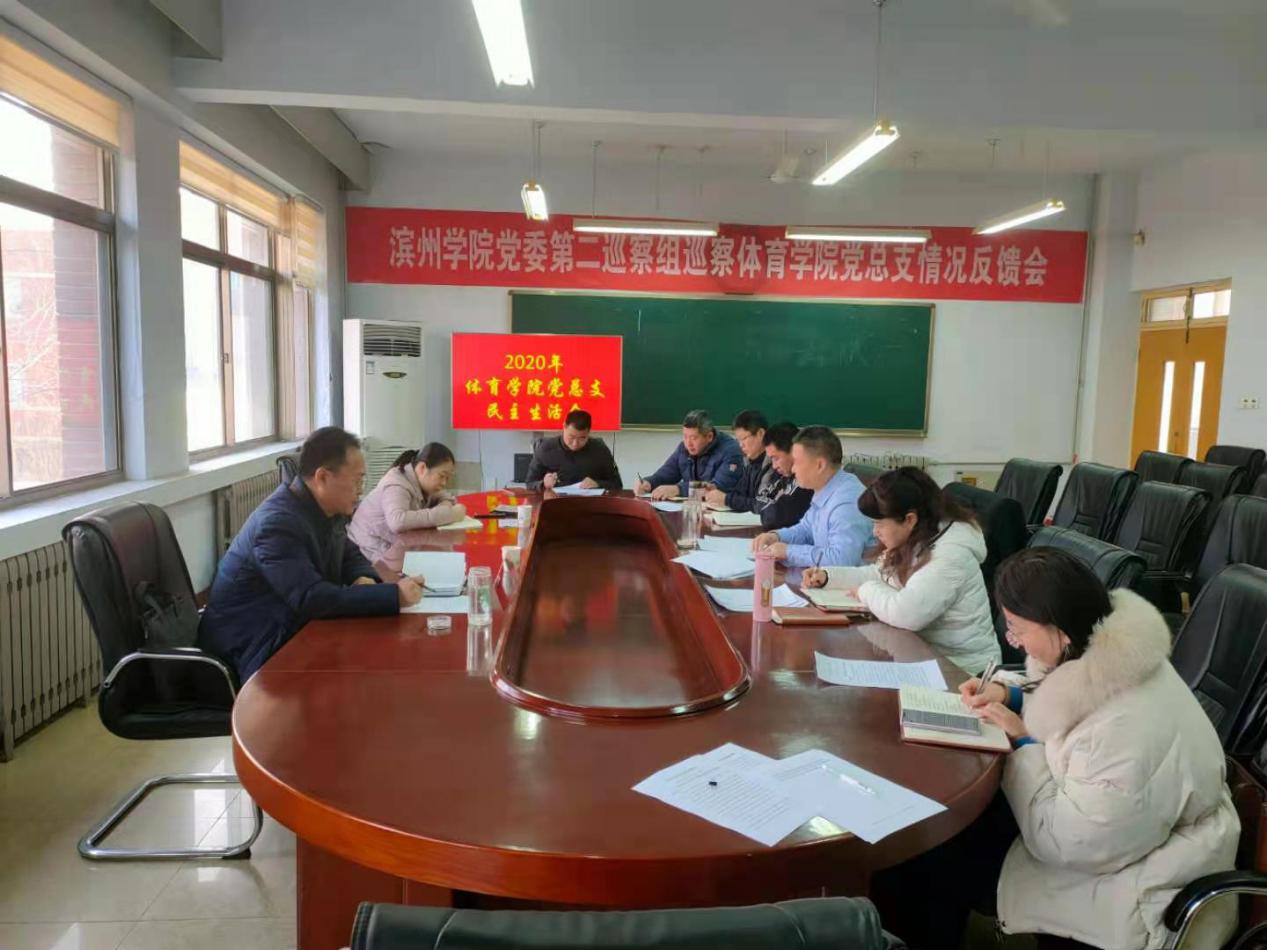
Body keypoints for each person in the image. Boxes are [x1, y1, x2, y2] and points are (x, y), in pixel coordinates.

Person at [871, 547, 1239, 950]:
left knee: (928, 860)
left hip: (1139, 883)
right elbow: (1074, 701)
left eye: (1018, 629)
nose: (1012, 640)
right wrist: (1010, 696)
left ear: (1060, 631)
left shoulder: (1126, 728)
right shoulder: (1109, 654)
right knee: (938, 839)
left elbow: (1067, 842)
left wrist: (1023, 743)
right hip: (1121, 832)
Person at [199, 427, 424, 682]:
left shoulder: (323, 507)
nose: (361, 490)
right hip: (252, 649)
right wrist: (394, 595)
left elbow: (348, 552)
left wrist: (362, 578)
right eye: (357, 480)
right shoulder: (277, 524)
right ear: (322, 477)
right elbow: (311, 598)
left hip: (291, 630)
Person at [803, 467, 1000, 673]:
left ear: (909, 519)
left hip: (964, 671)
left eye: (879, 523)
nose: (875, 531)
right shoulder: (919, 537)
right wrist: (828, 576)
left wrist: (865, 591)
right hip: (923, 656)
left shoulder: (950, 555)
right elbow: (879, 574)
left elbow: (907, 614)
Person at [751, 426, 871, 567]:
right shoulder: (825, 488)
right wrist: (776, 536)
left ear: (820, 465)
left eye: (797, 462)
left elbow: (842, 559)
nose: (793, 469)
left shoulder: (846, 501)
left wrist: (788, 551)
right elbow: (806, 529)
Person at [348, 442, 466, 564]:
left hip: (392, 548)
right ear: (422, 468)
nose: (444, 483)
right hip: (364, 552)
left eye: (447, 478)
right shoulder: (397, 484)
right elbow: (398, 521)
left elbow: (447, 498)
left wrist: (445, 510)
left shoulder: (423, 484)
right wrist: (449, 515)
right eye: (442, 476)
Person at [635, 409, 744, 500]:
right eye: (685, 436)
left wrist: (678, 489)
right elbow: (666, 474)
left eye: (694, 438)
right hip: (694, 509)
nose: (688, 443)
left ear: (709, 437)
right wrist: (649, 483)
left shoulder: (731, 450)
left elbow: (717, 487)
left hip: (725, 512)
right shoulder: (684, 448)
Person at [525, 409, 622, 492]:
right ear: (564, 427)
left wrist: (598, 484)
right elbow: (530, 483)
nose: (575, 443)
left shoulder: (600, 449)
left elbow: (617, 484)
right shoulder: (546, 448)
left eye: (582, 438)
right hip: (555, 502)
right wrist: (543, 484)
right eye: (571, 437)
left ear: (589, 432)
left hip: (589, 503)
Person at [704, 409, 770, 512]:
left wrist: (726, 499)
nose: (740, 445)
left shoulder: (774, 463)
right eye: (738, 440)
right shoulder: (749, 462)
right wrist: (718, 491)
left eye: (744, 439)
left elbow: (762, 505)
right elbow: (739, 494)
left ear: (760, 433)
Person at [757, 420, 812, 530]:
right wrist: (775, 503)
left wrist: (775, 504)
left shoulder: (807, 481)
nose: (774, 466)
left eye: (776, 458)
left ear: (793, 451)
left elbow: (776, 517)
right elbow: (759, 503)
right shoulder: (785, 476)